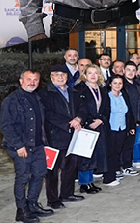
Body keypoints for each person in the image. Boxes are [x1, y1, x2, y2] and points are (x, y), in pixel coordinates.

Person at [1, 70, 53, 223]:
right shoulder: (11, 101)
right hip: (21, 147)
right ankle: (22, 211)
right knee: (23, 178)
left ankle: (32, 204)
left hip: (37, 145)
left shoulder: (37, 97)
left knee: (39, 174)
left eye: (35, 80)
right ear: (21, 81)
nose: (32, 82)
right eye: (29, 79)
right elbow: (6, 126)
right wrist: (18, 145)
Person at [40, 66, 82, 204]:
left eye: (63, 74)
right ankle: (53, 199)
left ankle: (67, 194)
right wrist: (68, 123)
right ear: (51, 77)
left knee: (71, 166)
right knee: (52, 169)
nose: (60, 77)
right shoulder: (45, 93)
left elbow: (83, 107)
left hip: (73, 134)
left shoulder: (73, 91)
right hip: (55, 135)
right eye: (56, 75)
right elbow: (47, 114)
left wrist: (79, 119)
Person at [75, 65, 108, 190]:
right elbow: (79, 108)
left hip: (99, 126)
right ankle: (84, 183)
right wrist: (88, 122)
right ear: (85, 75)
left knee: (95, 155)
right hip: (86, 126)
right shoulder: (79, 89)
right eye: (90, 73)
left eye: (96, 73)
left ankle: (90, 181)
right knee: (85, 156)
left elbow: (106, 108)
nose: (93, 75)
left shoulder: (102, 89)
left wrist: (101, 120)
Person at [103, 75, 136, 186]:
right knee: (110, 153)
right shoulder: (107, 96)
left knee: (118, 151)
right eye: (115, 83)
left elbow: (129, 112)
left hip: (122, 128)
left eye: (120, 83)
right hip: (111, 129)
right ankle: (108, 176)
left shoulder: (123, 95)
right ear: (110, 84)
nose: (117, 85)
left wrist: (131, 127)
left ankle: (116, 170)